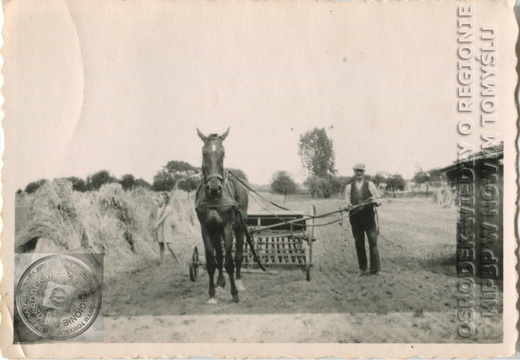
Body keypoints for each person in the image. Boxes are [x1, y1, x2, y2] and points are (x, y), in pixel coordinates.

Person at [344, 163, 383, 276]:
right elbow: (347, 202)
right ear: (354, 172)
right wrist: (346, 206)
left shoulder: (370, 185)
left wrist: (376, 201)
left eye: (361, 171)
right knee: (359, 243)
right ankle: (363, 268)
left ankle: (376, 269)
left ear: (364, 172)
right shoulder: (349, 187)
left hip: (368, 219)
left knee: (373, 242)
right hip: (355, 219)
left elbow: (379, 199)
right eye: (357, 171)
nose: (359, 173)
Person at [154, 192, 180, 264]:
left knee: (169, 246)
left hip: (165, 227)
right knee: (161, 245)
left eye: (161, 198)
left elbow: (163, 217)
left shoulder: (168, 208)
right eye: (159, 198)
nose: (159, 199)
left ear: (165, 200)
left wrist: (157, 223)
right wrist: (157, 225)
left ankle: (178, 261)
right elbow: (154, 199)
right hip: (160, 228)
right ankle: (162, 263)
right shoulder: (159, 207)